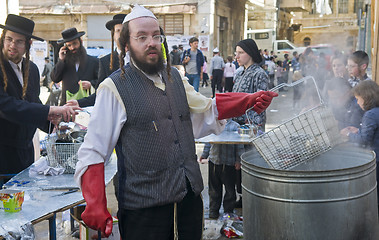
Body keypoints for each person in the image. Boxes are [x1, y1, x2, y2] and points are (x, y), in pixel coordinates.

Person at [73, 5, 278, 239]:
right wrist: (96, 203)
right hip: (145, 210)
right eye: (142, 37)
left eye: (156, 36)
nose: (151, 42)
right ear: (126, 45)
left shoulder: (176, 78)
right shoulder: (113, 87)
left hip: (188, 202)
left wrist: (247, 101)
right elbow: (94, 151)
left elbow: (205, 112)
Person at [0, 14, 80, 178]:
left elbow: (33, 103)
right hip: (2, 153)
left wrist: (53, 121)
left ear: (29, 44)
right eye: (9, 39)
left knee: (23, 201)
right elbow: (5, 105)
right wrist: (50, 109)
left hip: (25, 154)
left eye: (19, 41)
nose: (12, 45)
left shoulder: (33, 70)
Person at [232, 38, 270, 209]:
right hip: (236, 127)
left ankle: (254, 198)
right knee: (237, 165)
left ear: (251, 54)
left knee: (250, 163)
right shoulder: (239, 73)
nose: (237, 56)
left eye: (241, 53)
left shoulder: (259, 74)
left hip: (251, 129)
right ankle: (241, 197)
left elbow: (261, 104)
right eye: (236, 53)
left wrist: (252, 127)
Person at [68, 14, 126, 108]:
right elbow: (100, 94)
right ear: (113, 35)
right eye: (118, 31)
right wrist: (79, 103)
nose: (122, 34)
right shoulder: (105, 62)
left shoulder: (140, 59)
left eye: (125, 30)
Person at [340, 81, 379, 204]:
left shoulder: (370, 114)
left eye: (358, 99)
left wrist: (348, 134)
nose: (357, 102)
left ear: (366, 97)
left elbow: (364, 140)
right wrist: (359, 130)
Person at [199, 119, 244, 219]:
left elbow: (239, 145)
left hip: (229, 163)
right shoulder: (213, 124)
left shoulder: (235, 126)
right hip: (214, 162)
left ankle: (228, 210)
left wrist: (238, 160)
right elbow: (208, 142)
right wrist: (204, 155)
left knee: (230, 190)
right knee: (214, 189)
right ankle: (213, 210)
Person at [51, 27, 99, 105]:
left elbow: (101, 82)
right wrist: (61, 60)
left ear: (81, 42)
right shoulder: (63, 62)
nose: (72, 48)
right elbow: (55, 78)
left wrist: (91, 84)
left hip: (86, 106)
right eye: (69, 45)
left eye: (75, 43)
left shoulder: (94, 61)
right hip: (67, 107)